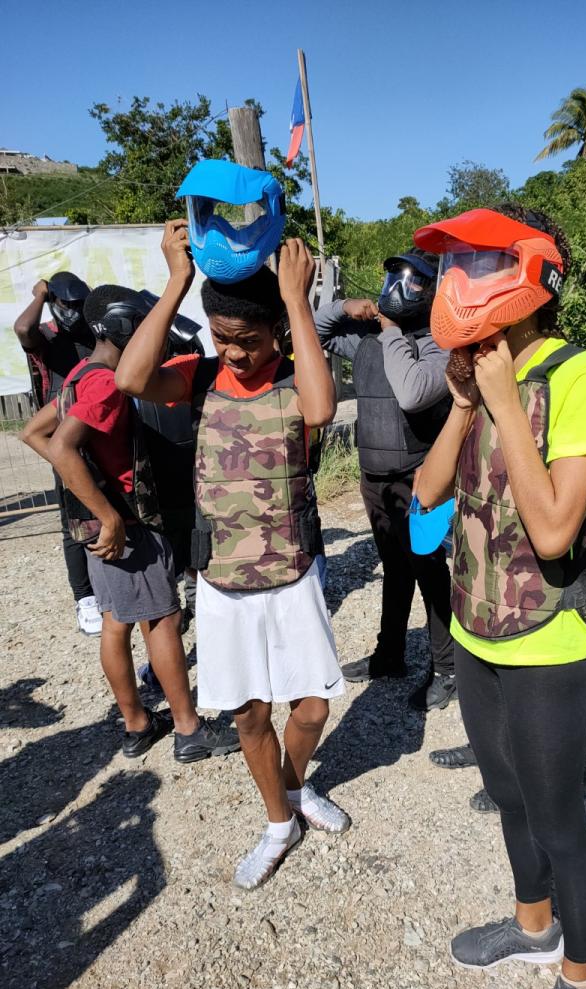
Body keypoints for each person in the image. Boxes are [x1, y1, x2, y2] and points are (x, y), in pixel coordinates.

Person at [415, 204, 586, 989]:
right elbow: (429, 493)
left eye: (481, 262)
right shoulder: (481, 377)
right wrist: (466, 405)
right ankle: (534, 927)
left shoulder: (582, 374)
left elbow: (554, 531)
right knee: (506, 795)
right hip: (478, 630)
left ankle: (583, 981)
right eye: (456, 264)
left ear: (536, 274)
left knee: (559, 820)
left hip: (546, 640)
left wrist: (502, 403)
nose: (460, 279)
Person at [116, 223, 350, 890]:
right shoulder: (201, 378)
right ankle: (278, 823)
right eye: (223, 338)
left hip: (292, 575)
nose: (236, 352)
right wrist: (176, 283)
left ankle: (294, 787)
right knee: (249, 714)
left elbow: (321, 408)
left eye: (249, 339)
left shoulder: (296, 374)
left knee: (312, 708)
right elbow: (130, 377)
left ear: (277, 330)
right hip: (223, 582)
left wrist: (296, 300)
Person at [20, 285, 240, 765]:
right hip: (128, 525)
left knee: (115, 622)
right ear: (122, 326)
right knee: (162, 621)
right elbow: (59, 446)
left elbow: (34, 431)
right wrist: (108, 513)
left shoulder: (81, 372)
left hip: (98, 529)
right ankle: (189, 731)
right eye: (144, 324)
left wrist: (88, 489)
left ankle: (137, 724)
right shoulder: (106, 383)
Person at [315, 249, 456, 711]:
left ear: (431, 291)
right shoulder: (369, 340)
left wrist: (392, 330)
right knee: (395, 569)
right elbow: (315, 330)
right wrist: (344, 306)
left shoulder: (438, 344)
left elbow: (413, 394)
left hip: (419, 479)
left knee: (430, 573)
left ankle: (447, 670)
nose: (399, 286)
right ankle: (389, 656)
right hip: (373, 477)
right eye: (395, 276)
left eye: (413, 280)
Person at [14, 272, 101, 635]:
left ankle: (111, 581)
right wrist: (40, 295)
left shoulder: (95, 334)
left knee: (108, 505)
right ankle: (85, 597)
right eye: (66, 304)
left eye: (78, 305)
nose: (72, 311)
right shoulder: (46, 338)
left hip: (99, 429)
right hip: (61, 436)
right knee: (73, 518)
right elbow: (23, 329)